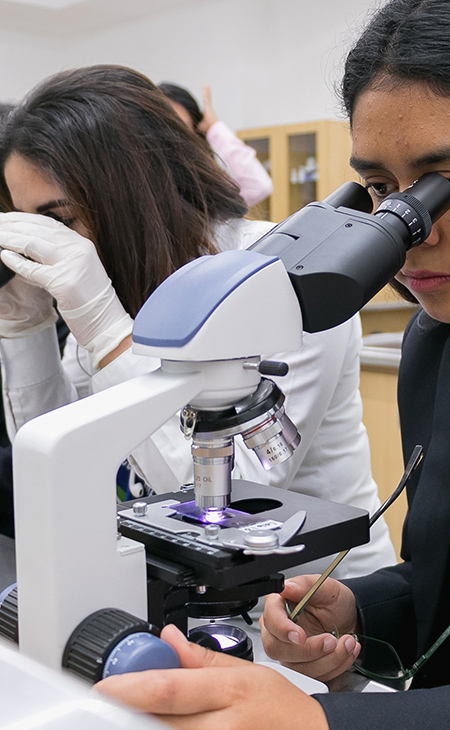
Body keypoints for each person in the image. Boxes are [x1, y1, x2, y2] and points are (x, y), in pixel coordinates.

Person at [94, 0, 450, 727]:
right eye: (384, 191)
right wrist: (362, 609)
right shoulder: (445, 347)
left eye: (445, 183)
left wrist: (329, 722)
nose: (410, 232)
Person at [0, 65, 395, 582]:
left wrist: (108, 334)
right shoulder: (118, 280)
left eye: (61, 220)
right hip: (173, 590)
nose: (52, 243)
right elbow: (60, 470)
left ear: (134, 192)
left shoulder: (280, 273)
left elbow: (223, 504)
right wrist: (25, 325)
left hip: (316, 604)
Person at [159, 82, 273, 208]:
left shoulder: (203, 184)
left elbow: (259, 186)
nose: (171, 134)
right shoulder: (144, 176)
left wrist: (214, 127)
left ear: (195, 132)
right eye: (164, 123)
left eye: (181, 126)